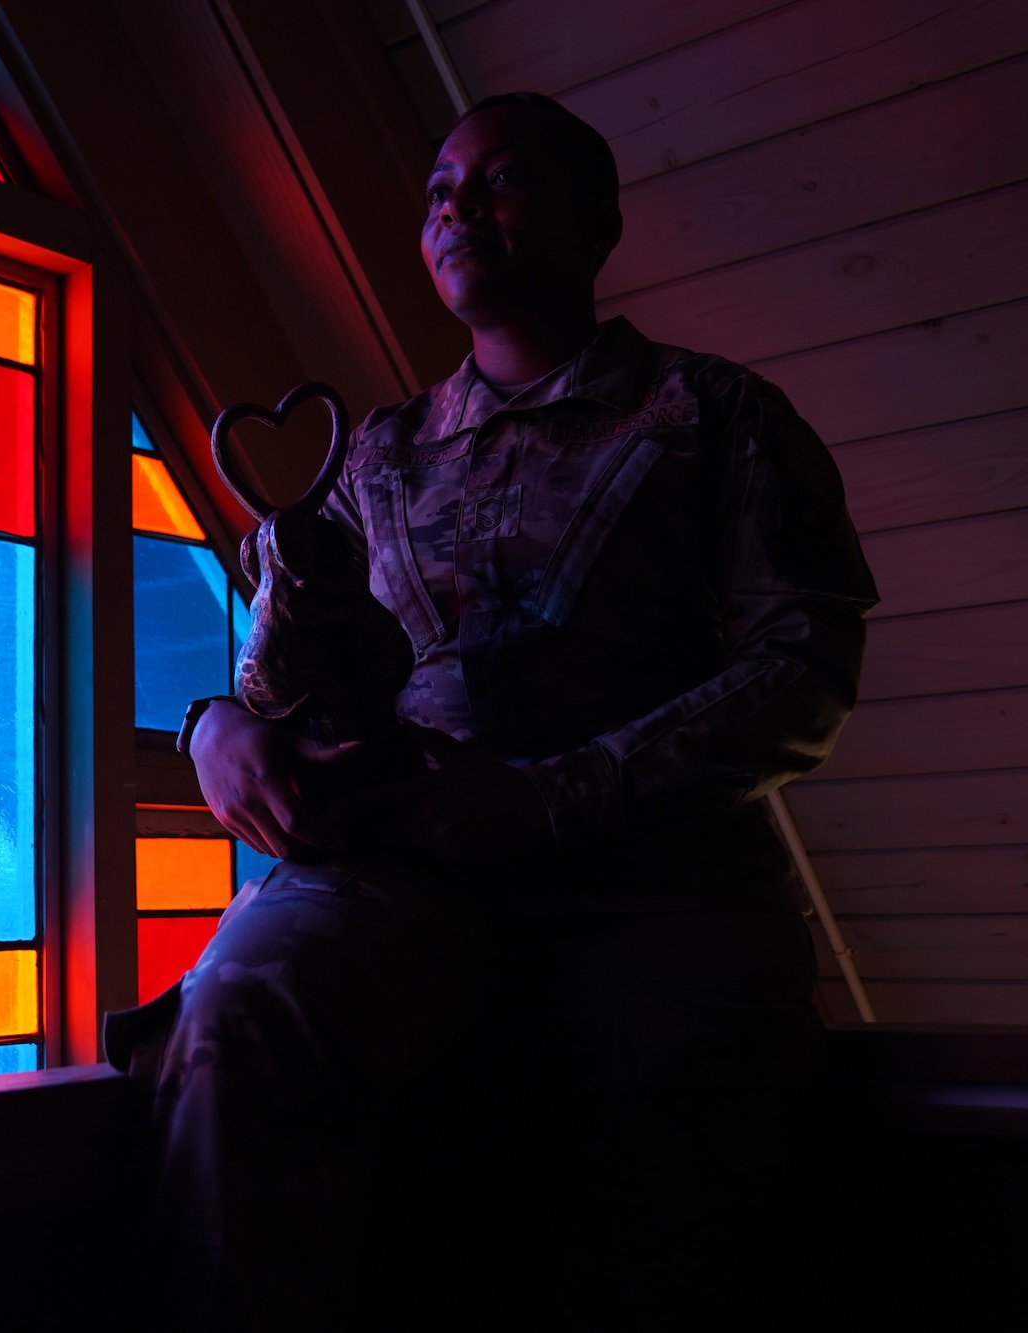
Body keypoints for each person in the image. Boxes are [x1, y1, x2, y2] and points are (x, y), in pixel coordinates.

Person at [110, 92, 878, 1329]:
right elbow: (282, 683)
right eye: (435, 190)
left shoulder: (712, 417)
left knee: (668, 1134)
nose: (456, 205)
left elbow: (801, 667)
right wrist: (219, 727)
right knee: (234, 1010)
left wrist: (545, 798)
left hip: (655, 882)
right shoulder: (381, 452)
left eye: (501, 176)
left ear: (595, 221)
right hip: (404, 874)